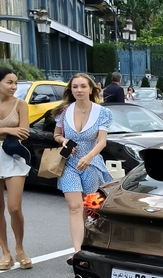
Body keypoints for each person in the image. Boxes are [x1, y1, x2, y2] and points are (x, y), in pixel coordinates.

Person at [51, 74, 113, 263]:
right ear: (70, 90)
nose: (79, 90)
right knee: (74, 207)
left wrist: (88, 157)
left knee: (90, 208)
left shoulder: (101, 112)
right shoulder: (64, 111)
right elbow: (56, 135)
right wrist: (64, 140)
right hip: (69, 163)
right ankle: (78, 252)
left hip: (91, 162)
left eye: (83, 86)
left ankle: (91, 245)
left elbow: (102, 141)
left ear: (91, 89)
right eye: (75, 87)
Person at [0, 67, 31, 270]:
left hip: (12, 156)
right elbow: (15, 130)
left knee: (14, 207)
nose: (13, 86)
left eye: (15, 83)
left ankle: (19, 247)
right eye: (9, 82)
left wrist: (6, 131)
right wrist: (7, 129)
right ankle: (6, 252)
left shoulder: (21, 104)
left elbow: (24, 133)